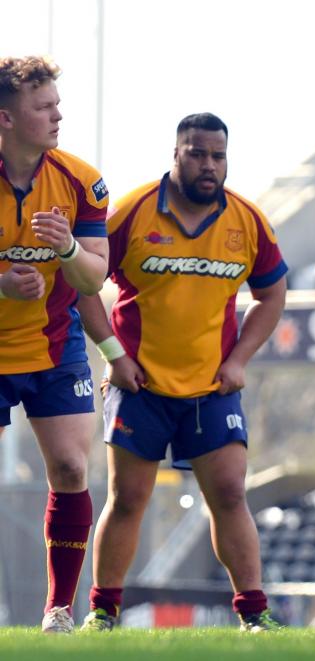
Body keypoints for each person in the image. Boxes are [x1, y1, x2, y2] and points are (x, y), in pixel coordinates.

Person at [77, 112, 288, 633]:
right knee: (127, 500)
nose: (209, 165)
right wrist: (113, 355)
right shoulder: (132, 212)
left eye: (218, 155)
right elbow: (83, 284)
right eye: (197, 153)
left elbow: (272, 294)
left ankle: (254, 616)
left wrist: (239, 360)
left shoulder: (248, 221)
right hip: (140, 386)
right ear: (176, 154)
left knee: (231, 494)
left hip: (211, 390)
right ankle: (103, 614)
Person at [0, 56, 109, 633]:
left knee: (71, 467)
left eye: (57, 104)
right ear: (7, 119)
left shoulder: (81, 181)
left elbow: (95, 278)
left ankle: (58, 611)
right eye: (43, 108)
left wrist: (67, 250)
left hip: (55, 345)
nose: (57, 115)